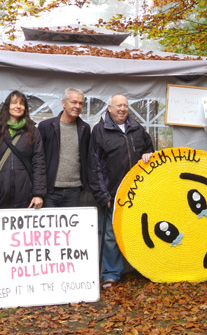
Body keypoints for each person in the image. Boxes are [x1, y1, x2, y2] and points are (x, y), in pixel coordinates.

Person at [90, 94, 154, 289]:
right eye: (118, 106)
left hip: (137, 192)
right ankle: (111, 273)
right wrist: (102, 195)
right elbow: (94, 166)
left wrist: (148, 154)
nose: (122, 109)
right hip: (112, 193)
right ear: (109, 108)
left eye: (125, 106)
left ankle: (143, 268)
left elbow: (150, 150)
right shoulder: (99, 131)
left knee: (139, 231)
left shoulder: (138, 129)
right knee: (110, 235)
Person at [0, 90, 45, 212]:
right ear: (7, 106)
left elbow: (39, 164)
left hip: (26, 196)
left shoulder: (33, 132)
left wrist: (38, 193)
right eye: (14, 103)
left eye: (21, 104)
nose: (18, 106)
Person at [38, 88, 91, 208]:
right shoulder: (46, 127)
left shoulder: (85, 128)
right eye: (73, 102)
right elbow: (38, 160)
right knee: (50, 227)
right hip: (50, 190)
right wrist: (39, 190)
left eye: (80, 103)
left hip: (75, 191)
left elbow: (87, 158)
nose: (77, 106)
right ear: (63, 103)